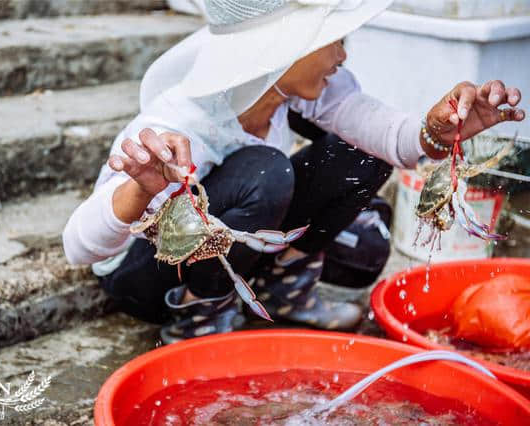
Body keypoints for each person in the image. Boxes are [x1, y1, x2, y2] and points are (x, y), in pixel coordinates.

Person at [62, 0, 525, 344]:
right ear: (283, 51)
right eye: (335, 42)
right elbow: (79, 247)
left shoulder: (293, 92)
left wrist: (441, 130)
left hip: (234, 241)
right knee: (266, 171)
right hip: (147, 275)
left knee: (365, 191)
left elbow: (386, 133)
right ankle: (199, 319)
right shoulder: (181, 124)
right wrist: (142, 190)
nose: (342, 56)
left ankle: (285, 293)